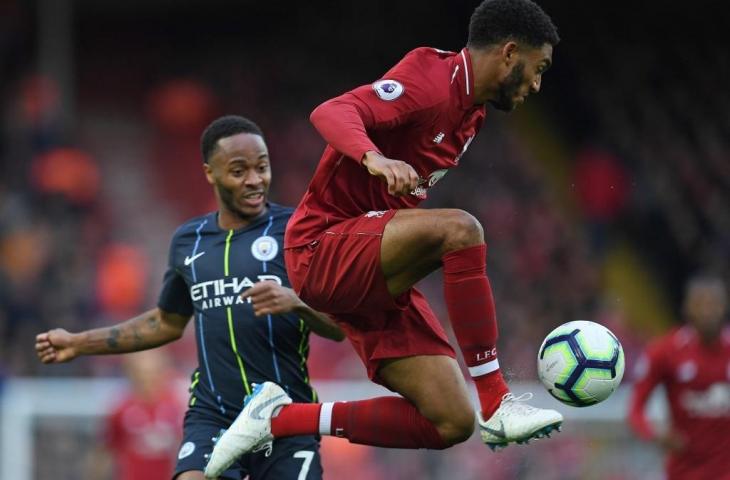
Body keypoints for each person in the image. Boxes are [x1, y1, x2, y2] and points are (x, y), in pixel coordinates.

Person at [206, 0, 562, 476]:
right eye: (537, 70)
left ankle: (279, 418)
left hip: (369, 265)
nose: (538, 85)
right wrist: (373, 158)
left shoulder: (471, 114)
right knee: (460, 230)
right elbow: (331, 111)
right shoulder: (431, 80)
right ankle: (498, 400)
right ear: (509, 53)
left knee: (450, 421)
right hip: (322, 246)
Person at [35, 115, 345, 480]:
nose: (255, 180)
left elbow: (340, 327)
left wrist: (295, 302)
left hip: (287, 415)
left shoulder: (294, 231)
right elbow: (166, 322)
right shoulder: (188, 241)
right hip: (215, 414)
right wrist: (79, 343)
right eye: (239, 170)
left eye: (262, 167)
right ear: (210, 173)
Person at [628, 275, 730, 480]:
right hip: (684, 471)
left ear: (724, 306)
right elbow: (635, 409)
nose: (707, 311)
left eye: (713, 304)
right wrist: (655, 433)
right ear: (687, 308)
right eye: (700, 303)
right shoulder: (666, 350)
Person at [91, 350, 184, 480]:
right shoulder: (121, 408)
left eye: (153, 373)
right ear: (132, 375)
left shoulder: (176, 407)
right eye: (142, 374)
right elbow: (105, 452)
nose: (147, 380)